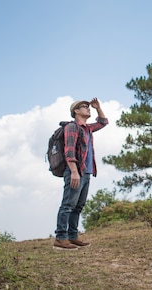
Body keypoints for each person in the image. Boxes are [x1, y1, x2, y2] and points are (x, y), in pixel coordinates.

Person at [54, 97, 108, 250]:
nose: (88, 108)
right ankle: (60, 238)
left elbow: (103, 122)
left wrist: (98, 107)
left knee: (78, 206)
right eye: (85, 106)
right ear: (76, 111)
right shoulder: (72, 127)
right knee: (68, 205)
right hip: (75, 172)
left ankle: (72, 236)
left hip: (86, 172)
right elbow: (69, 151)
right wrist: (74, 172)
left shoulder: (88, 128)